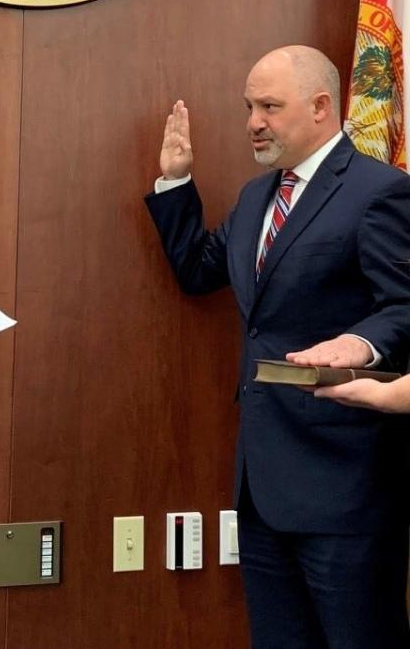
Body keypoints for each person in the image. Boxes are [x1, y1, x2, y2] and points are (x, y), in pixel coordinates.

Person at [145, 45, 410, 649]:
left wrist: (361, 343)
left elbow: (405, 306)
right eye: (249, 107)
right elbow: (198, 271)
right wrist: (175, 180)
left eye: (269, 106)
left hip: (347, 488)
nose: (252, 122)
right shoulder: (256, 197)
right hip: (262, 487)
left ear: (321, 107)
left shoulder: (381, 192)